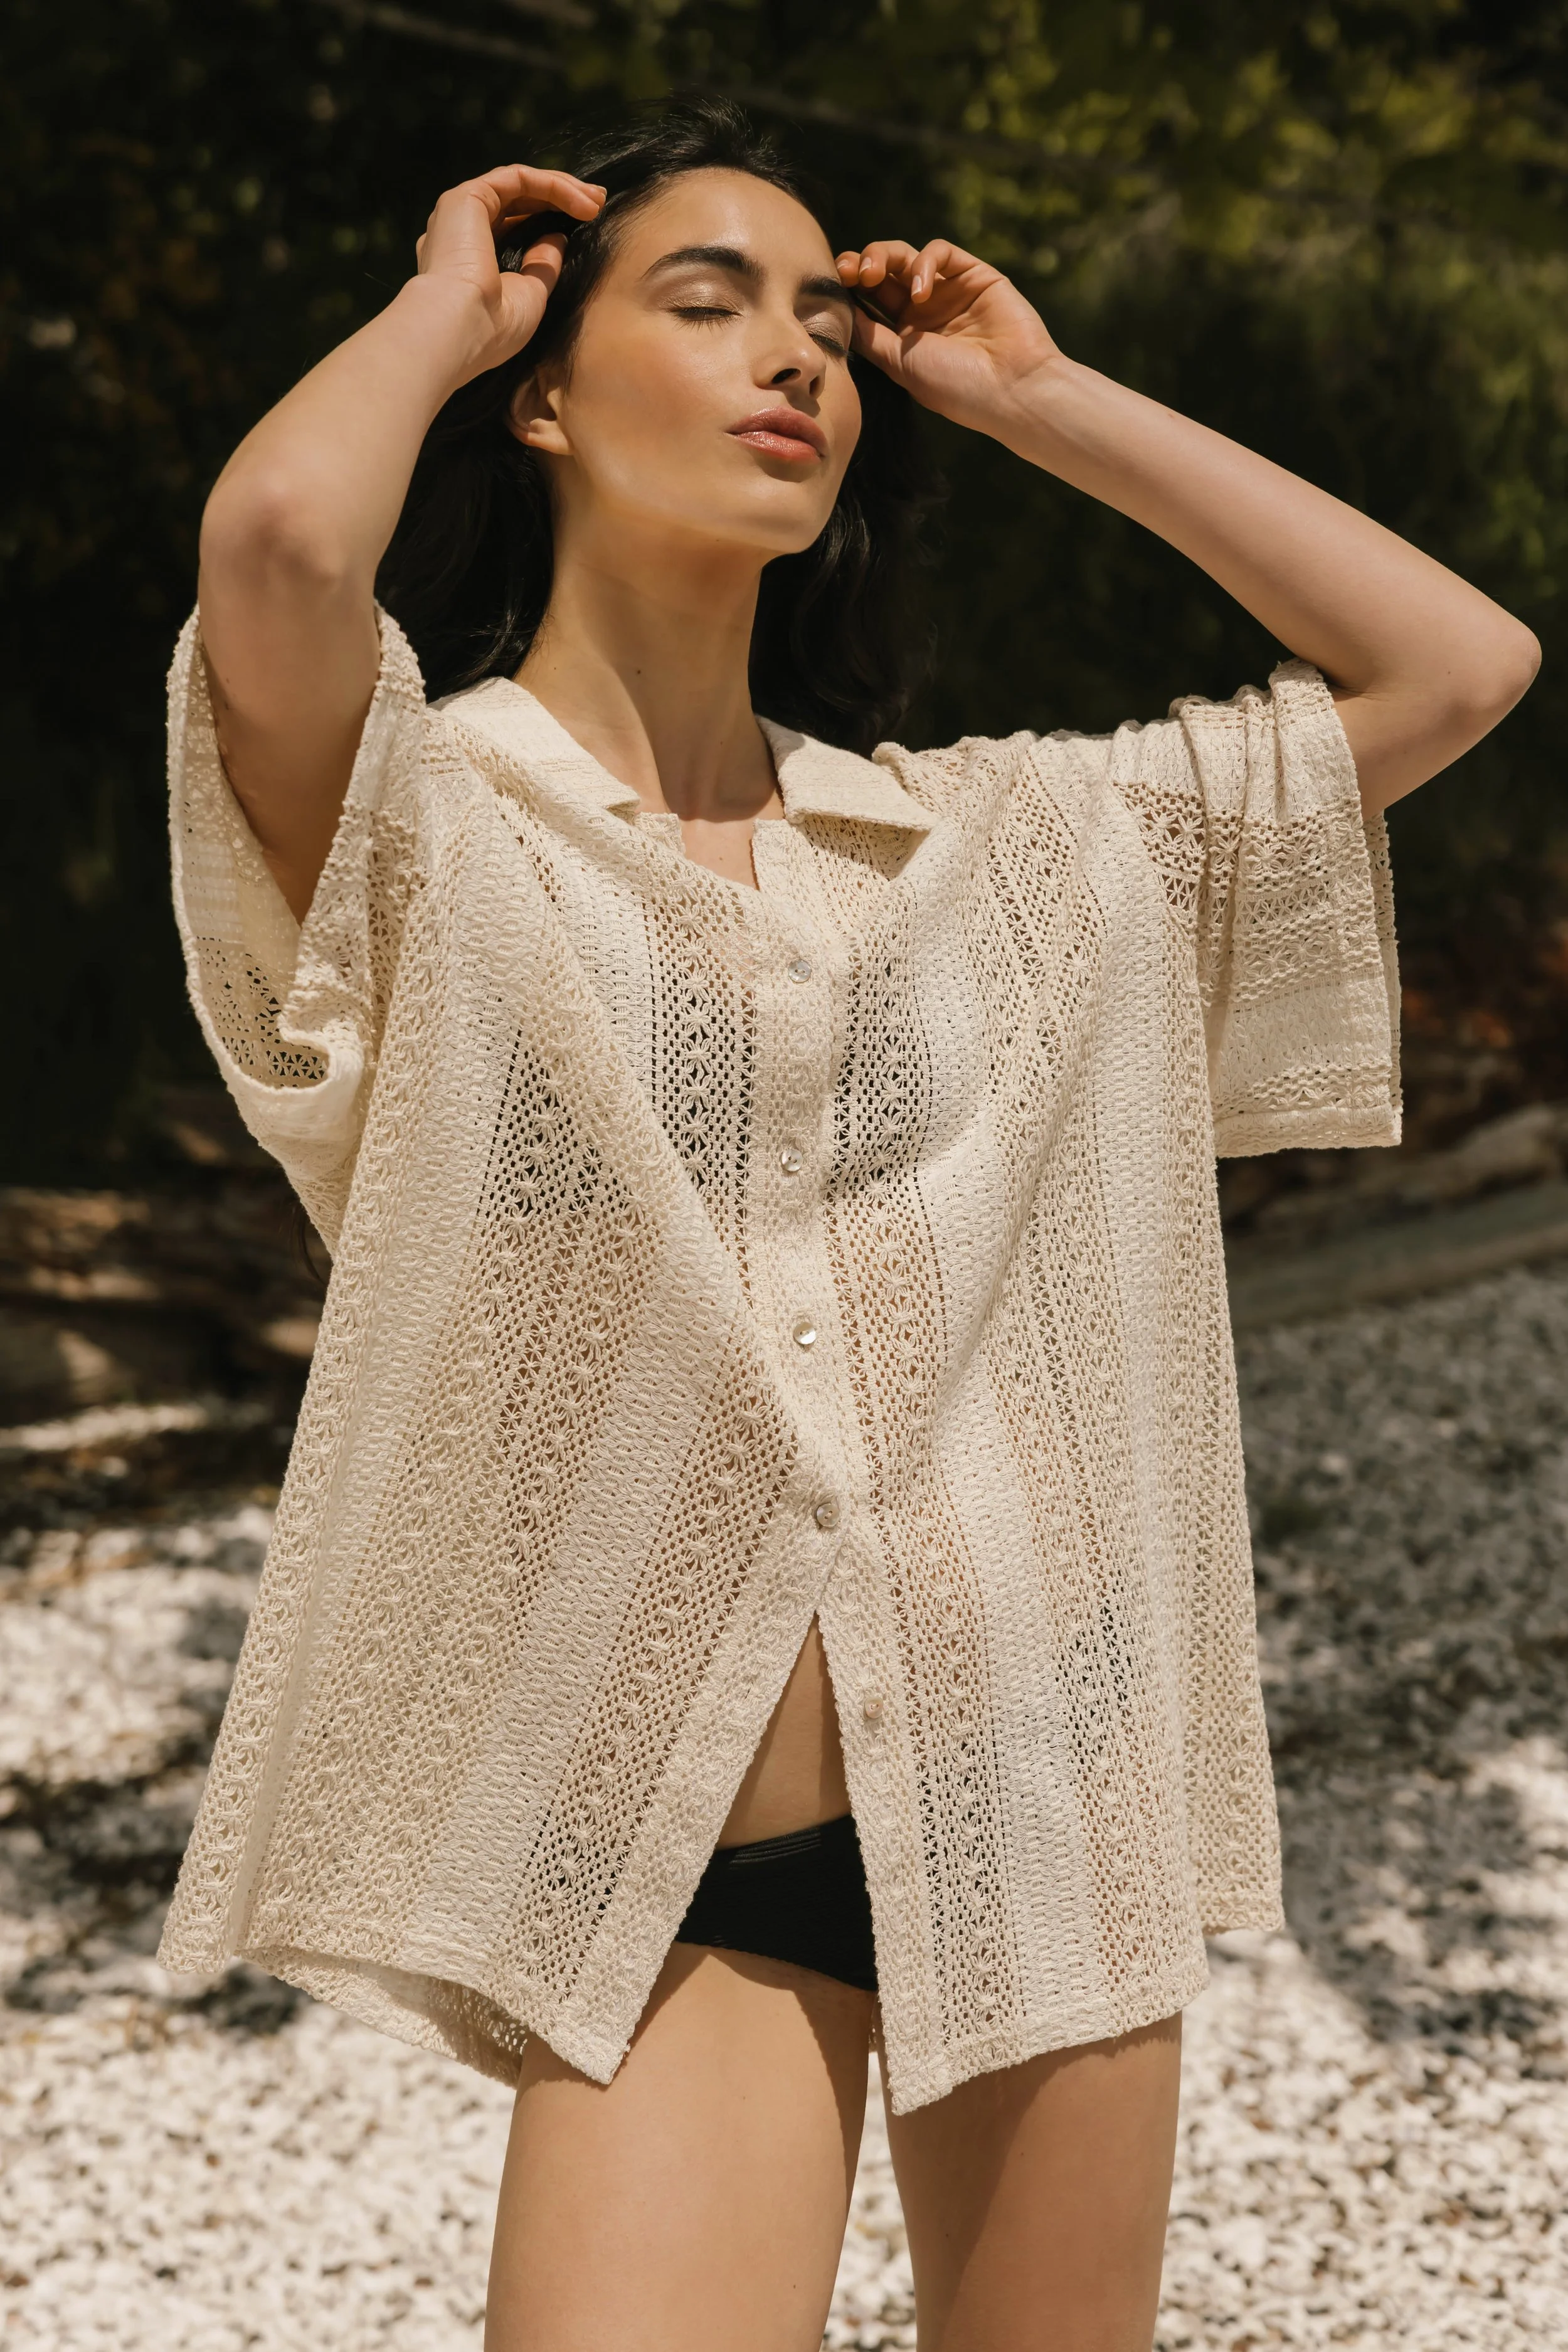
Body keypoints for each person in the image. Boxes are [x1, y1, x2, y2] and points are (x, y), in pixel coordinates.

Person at [156, 96, 1538, 2352]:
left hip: (1039, 1795)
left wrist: (1039, 399)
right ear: (545, 394)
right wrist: (436, 306)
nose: (788, 357)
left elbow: (1452, 665)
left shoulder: (999, 848)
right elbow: (288, 549)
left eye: (823, 324)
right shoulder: (434, 826)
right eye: (702, 307)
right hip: (691, 1869)